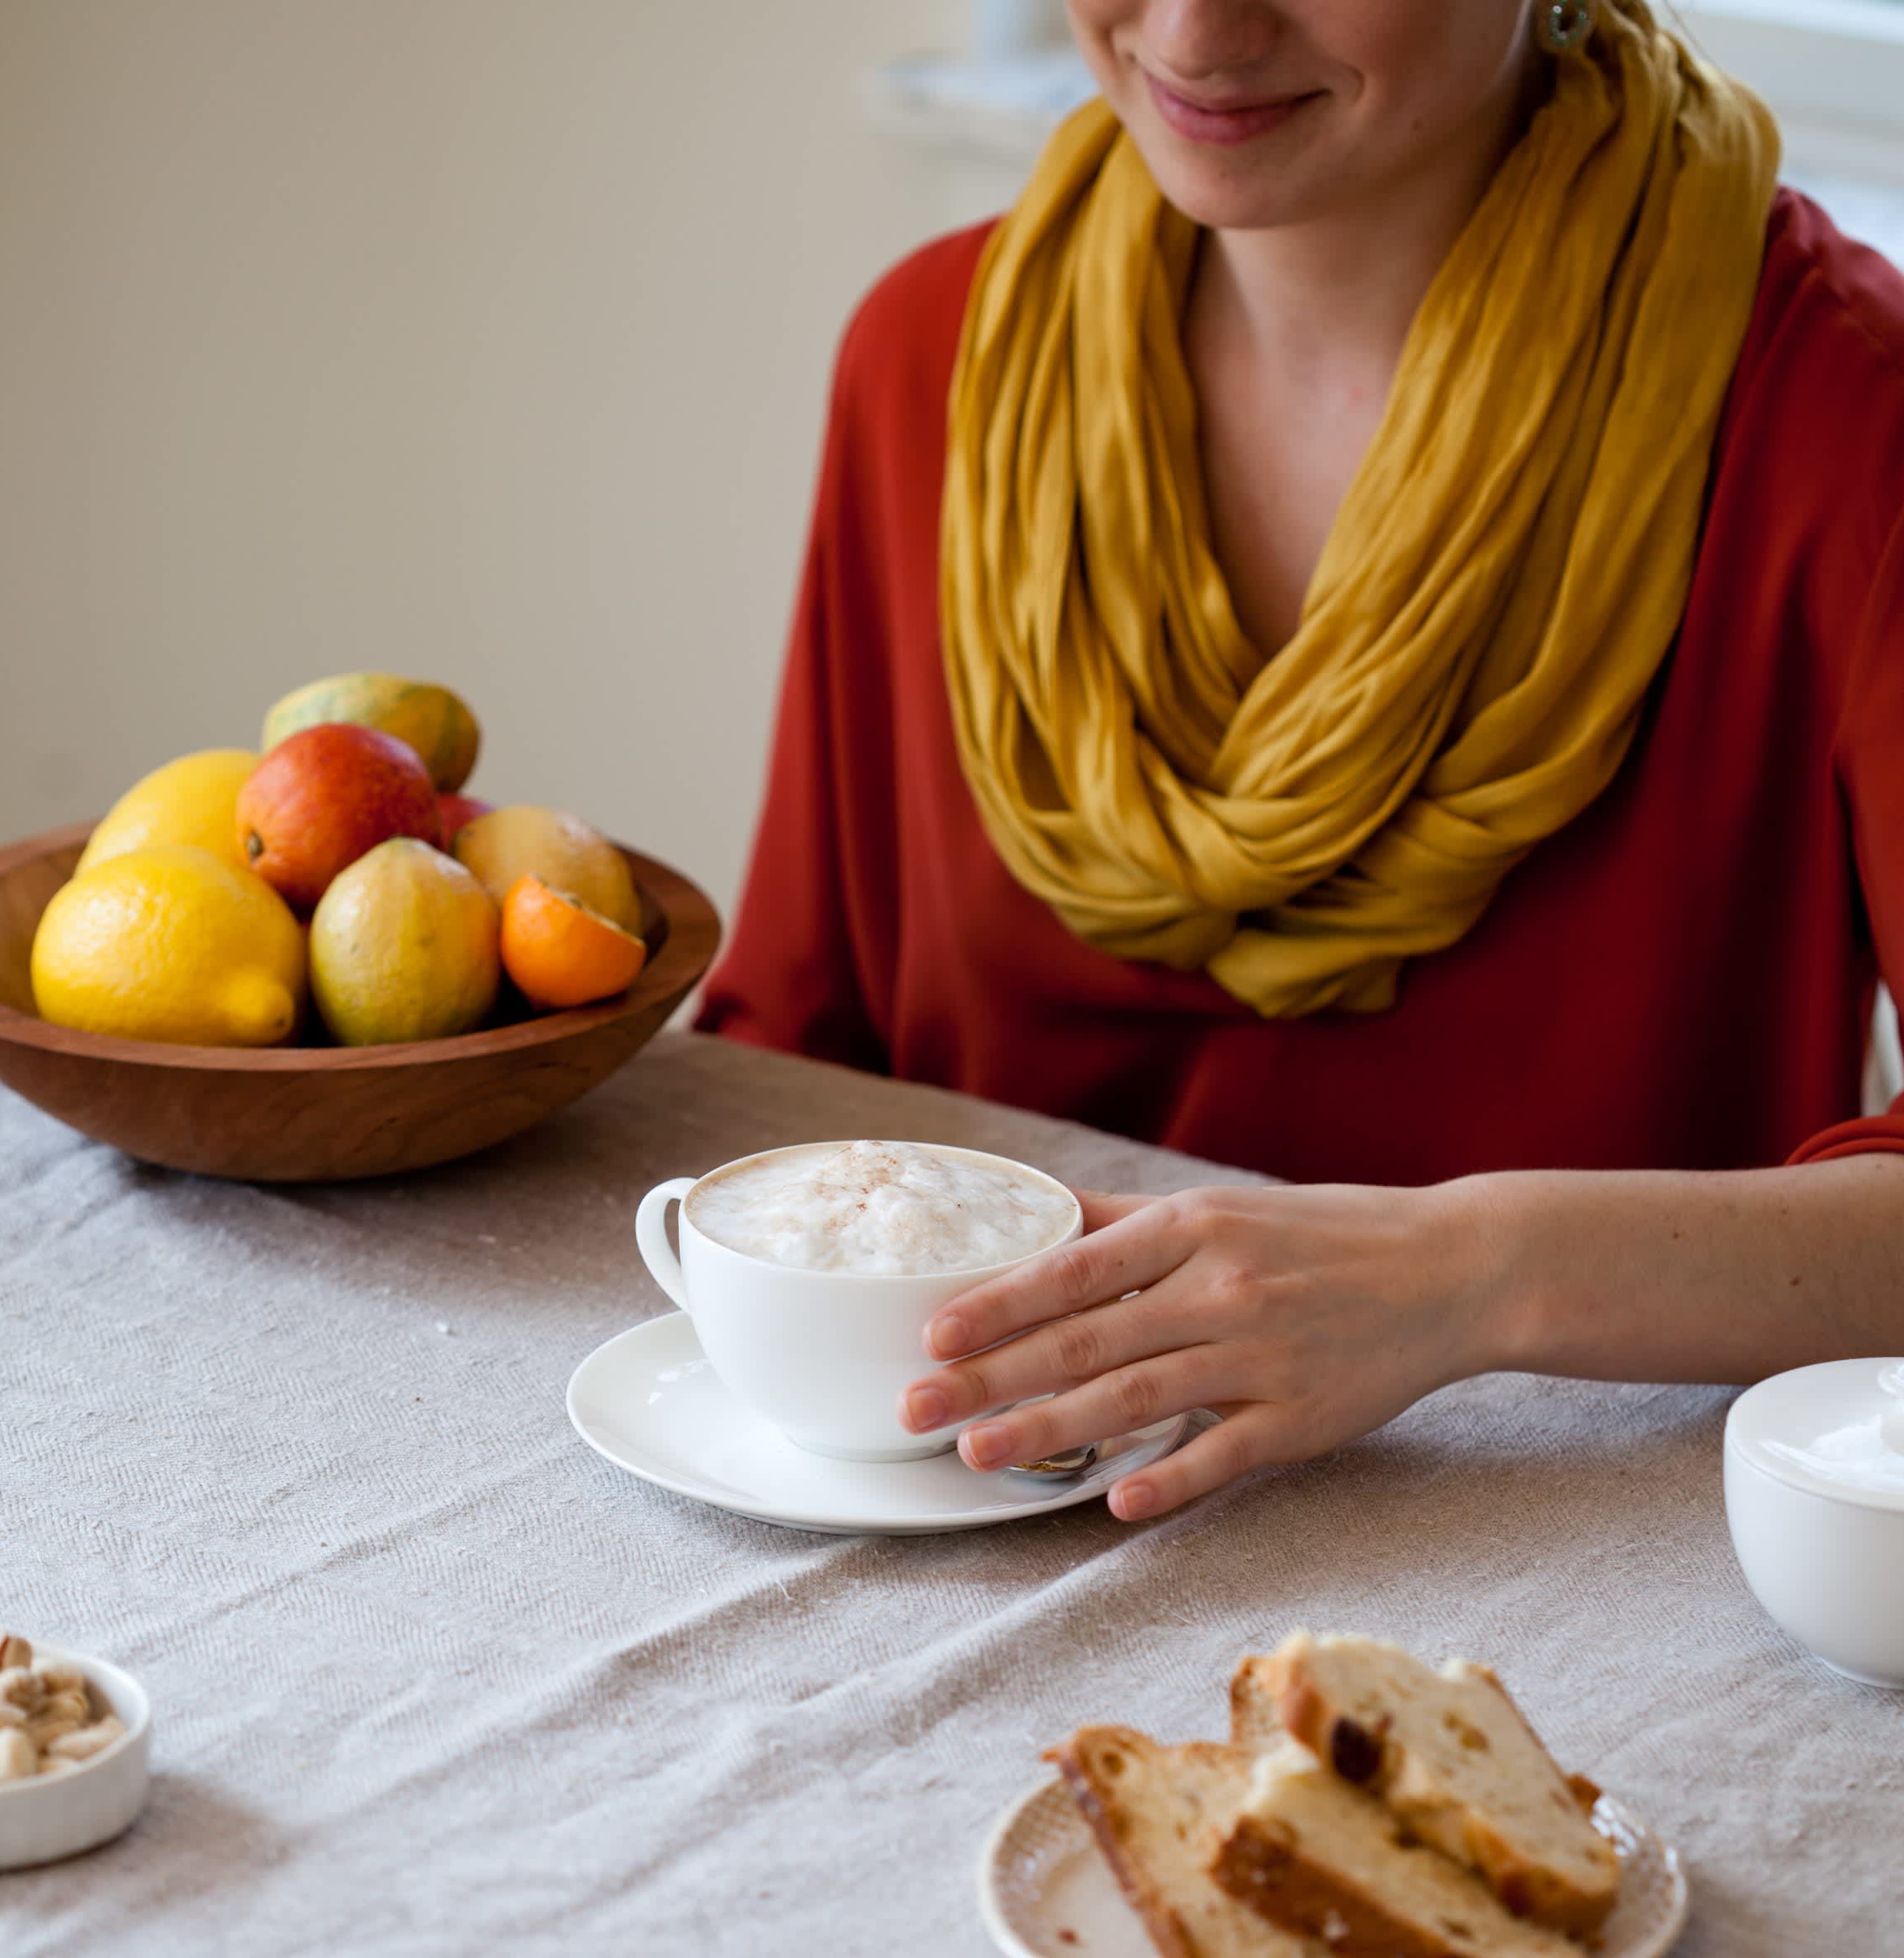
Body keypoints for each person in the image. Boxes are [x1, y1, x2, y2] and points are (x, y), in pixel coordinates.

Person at [696, 0, 1904, 1521]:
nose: (1197, 32)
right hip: (973, 1501)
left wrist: (1471, 1279)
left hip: (1563, 1551)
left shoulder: (1848, 417)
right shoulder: (933, 358)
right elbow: (790, 1060)